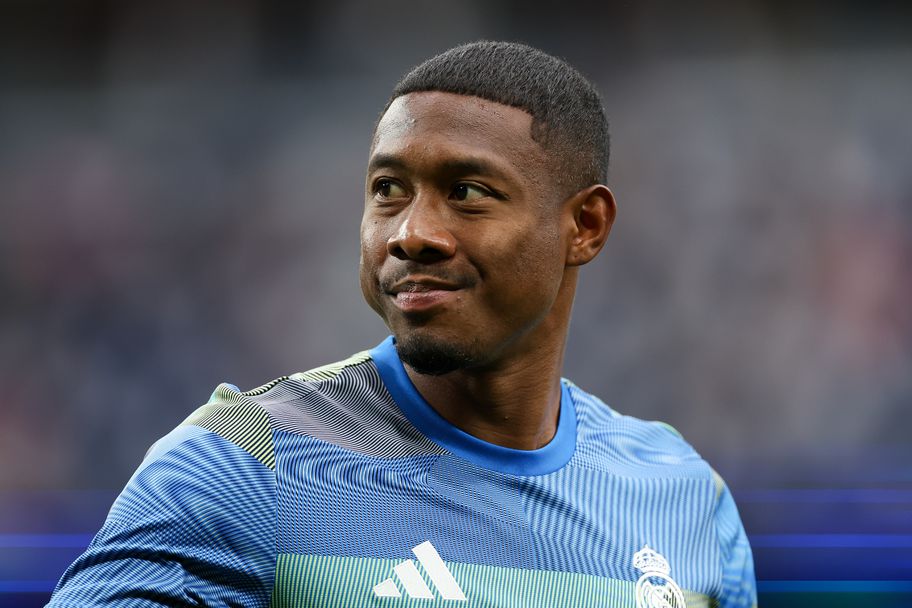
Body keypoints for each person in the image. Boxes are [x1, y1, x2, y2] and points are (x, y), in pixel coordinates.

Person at [48, 41, 756, 607]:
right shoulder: (244, 461)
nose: (411, 233)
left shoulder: (683, 495)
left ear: (586, 226)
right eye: (388, 190)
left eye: (467, 192)